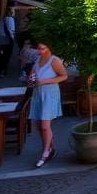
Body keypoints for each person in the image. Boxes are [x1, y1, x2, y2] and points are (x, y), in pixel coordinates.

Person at [28, 40, 68, 168]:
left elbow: (63, 76)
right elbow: (31, 77)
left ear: (49, 48)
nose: (40, 51)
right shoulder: (37, 61)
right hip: (38, 94)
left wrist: (45, 81)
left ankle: (45, 152)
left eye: (43, 48)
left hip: (50, 95)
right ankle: (50, 147)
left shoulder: (54, 60)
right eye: (39, 48)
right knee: (40, 125)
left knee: (45, 125)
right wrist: (30, 80)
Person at [0, 8, 16, 77]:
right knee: (6, 57)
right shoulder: (10, 20)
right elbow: (12, 31)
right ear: (9, 13)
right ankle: (4, 70)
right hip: (7, 42)